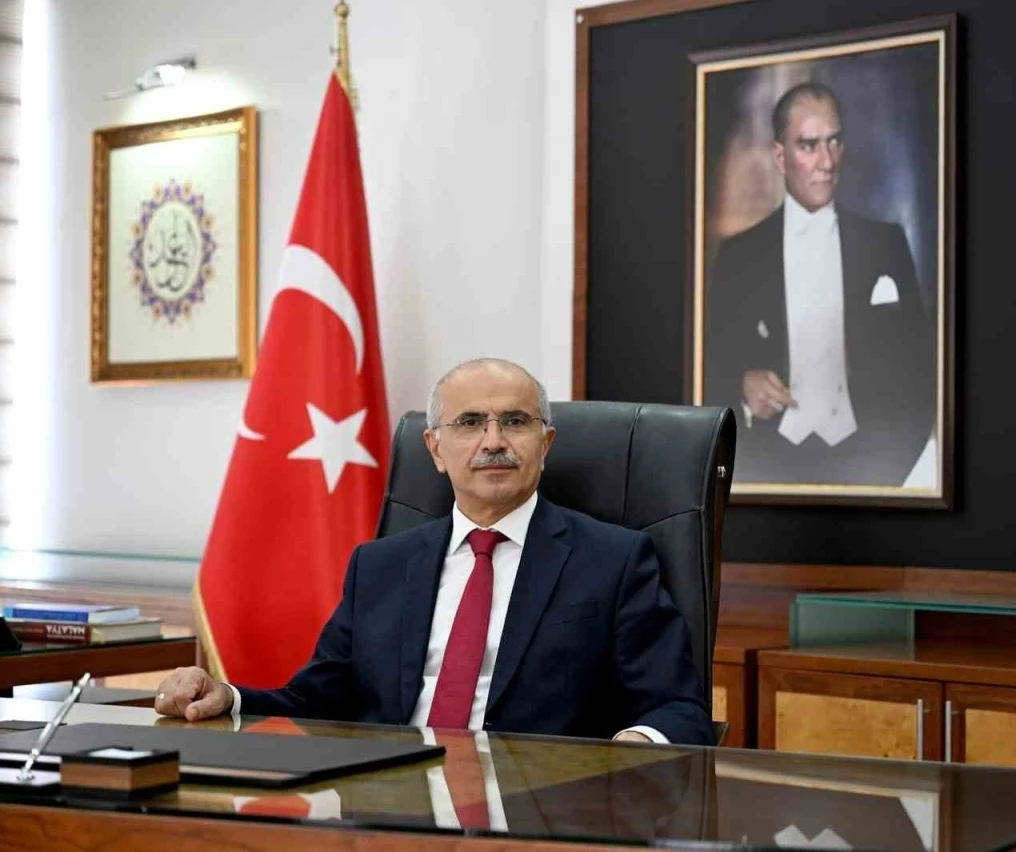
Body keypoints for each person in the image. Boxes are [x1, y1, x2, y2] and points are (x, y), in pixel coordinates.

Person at [157, 358, 713, 746]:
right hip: (389, 808)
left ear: (544, 444)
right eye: (469, 423)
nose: (493, 441)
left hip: (537, 813)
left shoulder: (614, 561)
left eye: (514, 422)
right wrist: (228, 697)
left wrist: (631, 751)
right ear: (435, 449)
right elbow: (319, 699)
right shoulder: (379, 566)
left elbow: (676, 709)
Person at [704, 81, 935, 486]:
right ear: (780, 157)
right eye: (809, 145)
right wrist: (742, 386)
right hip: (770, 468)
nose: (827, 161)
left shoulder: (887, 244)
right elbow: (707, 374)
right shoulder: (738, 256)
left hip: (869, 467)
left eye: (834, 142)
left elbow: (920, 373)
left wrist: (888, 474)